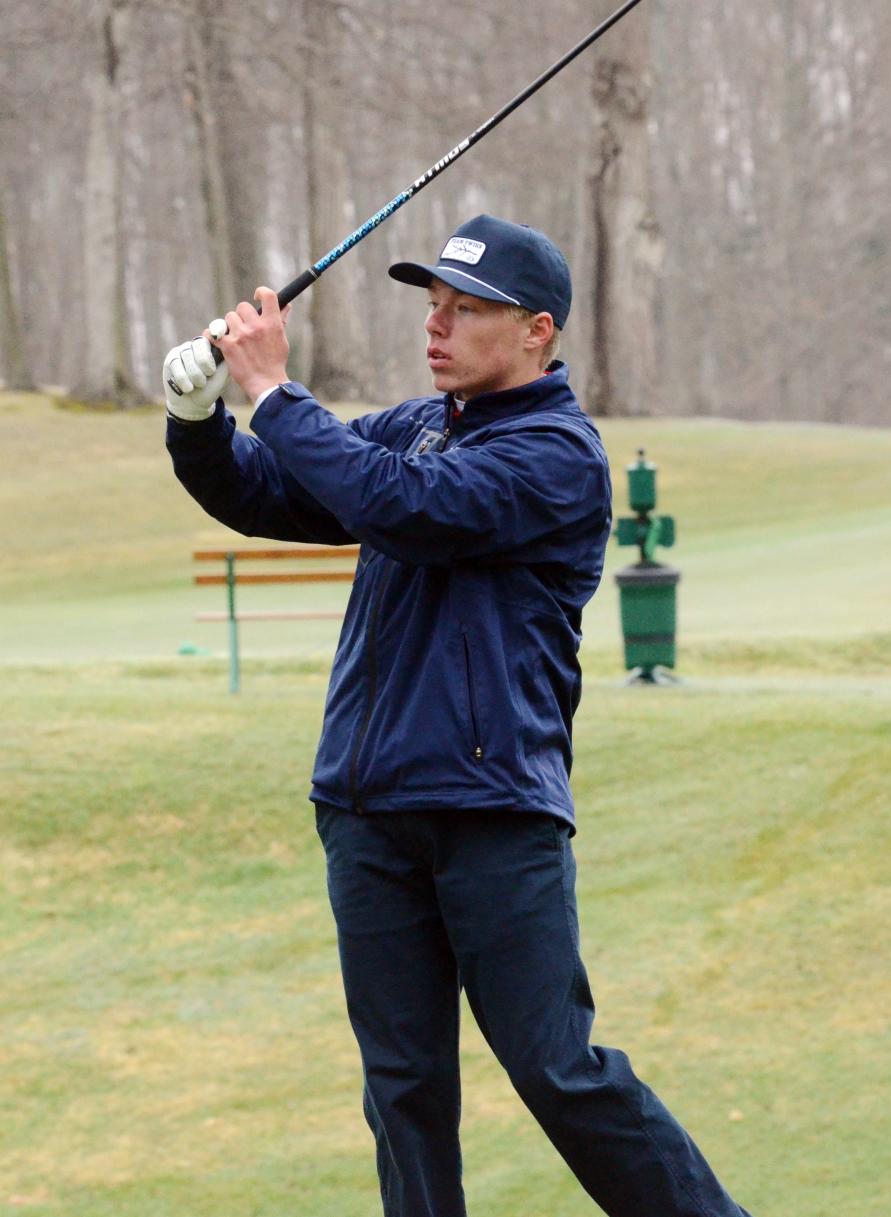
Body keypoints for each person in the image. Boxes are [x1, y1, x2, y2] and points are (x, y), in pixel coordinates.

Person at [163, 214, 752, 1217]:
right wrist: (200, 418)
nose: (435, 326)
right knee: (403, 1088)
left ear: (537, 329)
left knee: (556, 1066)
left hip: (490, 807)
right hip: (366, 800)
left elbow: (408, 507)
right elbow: (277, 490)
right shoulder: (415, 426)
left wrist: (276, 389)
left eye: (464, 308)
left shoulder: (559, 454)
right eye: (432, 305)